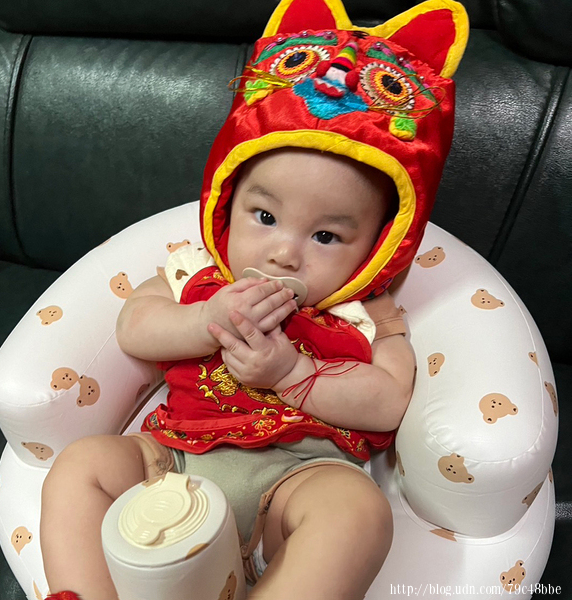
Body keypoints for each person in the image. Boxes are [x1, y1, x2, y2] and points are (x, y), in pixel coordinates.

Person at [40, 0, 468, 598]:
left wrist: (293, 374)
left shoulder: (368, 310)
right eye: (264, 216)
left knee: (358, 514)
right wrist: (204, 318)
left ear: (379, 246)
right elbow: (136, 325)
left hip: (297, 479)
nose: (284, 254)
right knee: (79, 467)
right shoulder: (196, 271)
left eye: (326, 237)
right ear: (227, 199)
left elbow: (390, 402)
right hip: (171, 459)